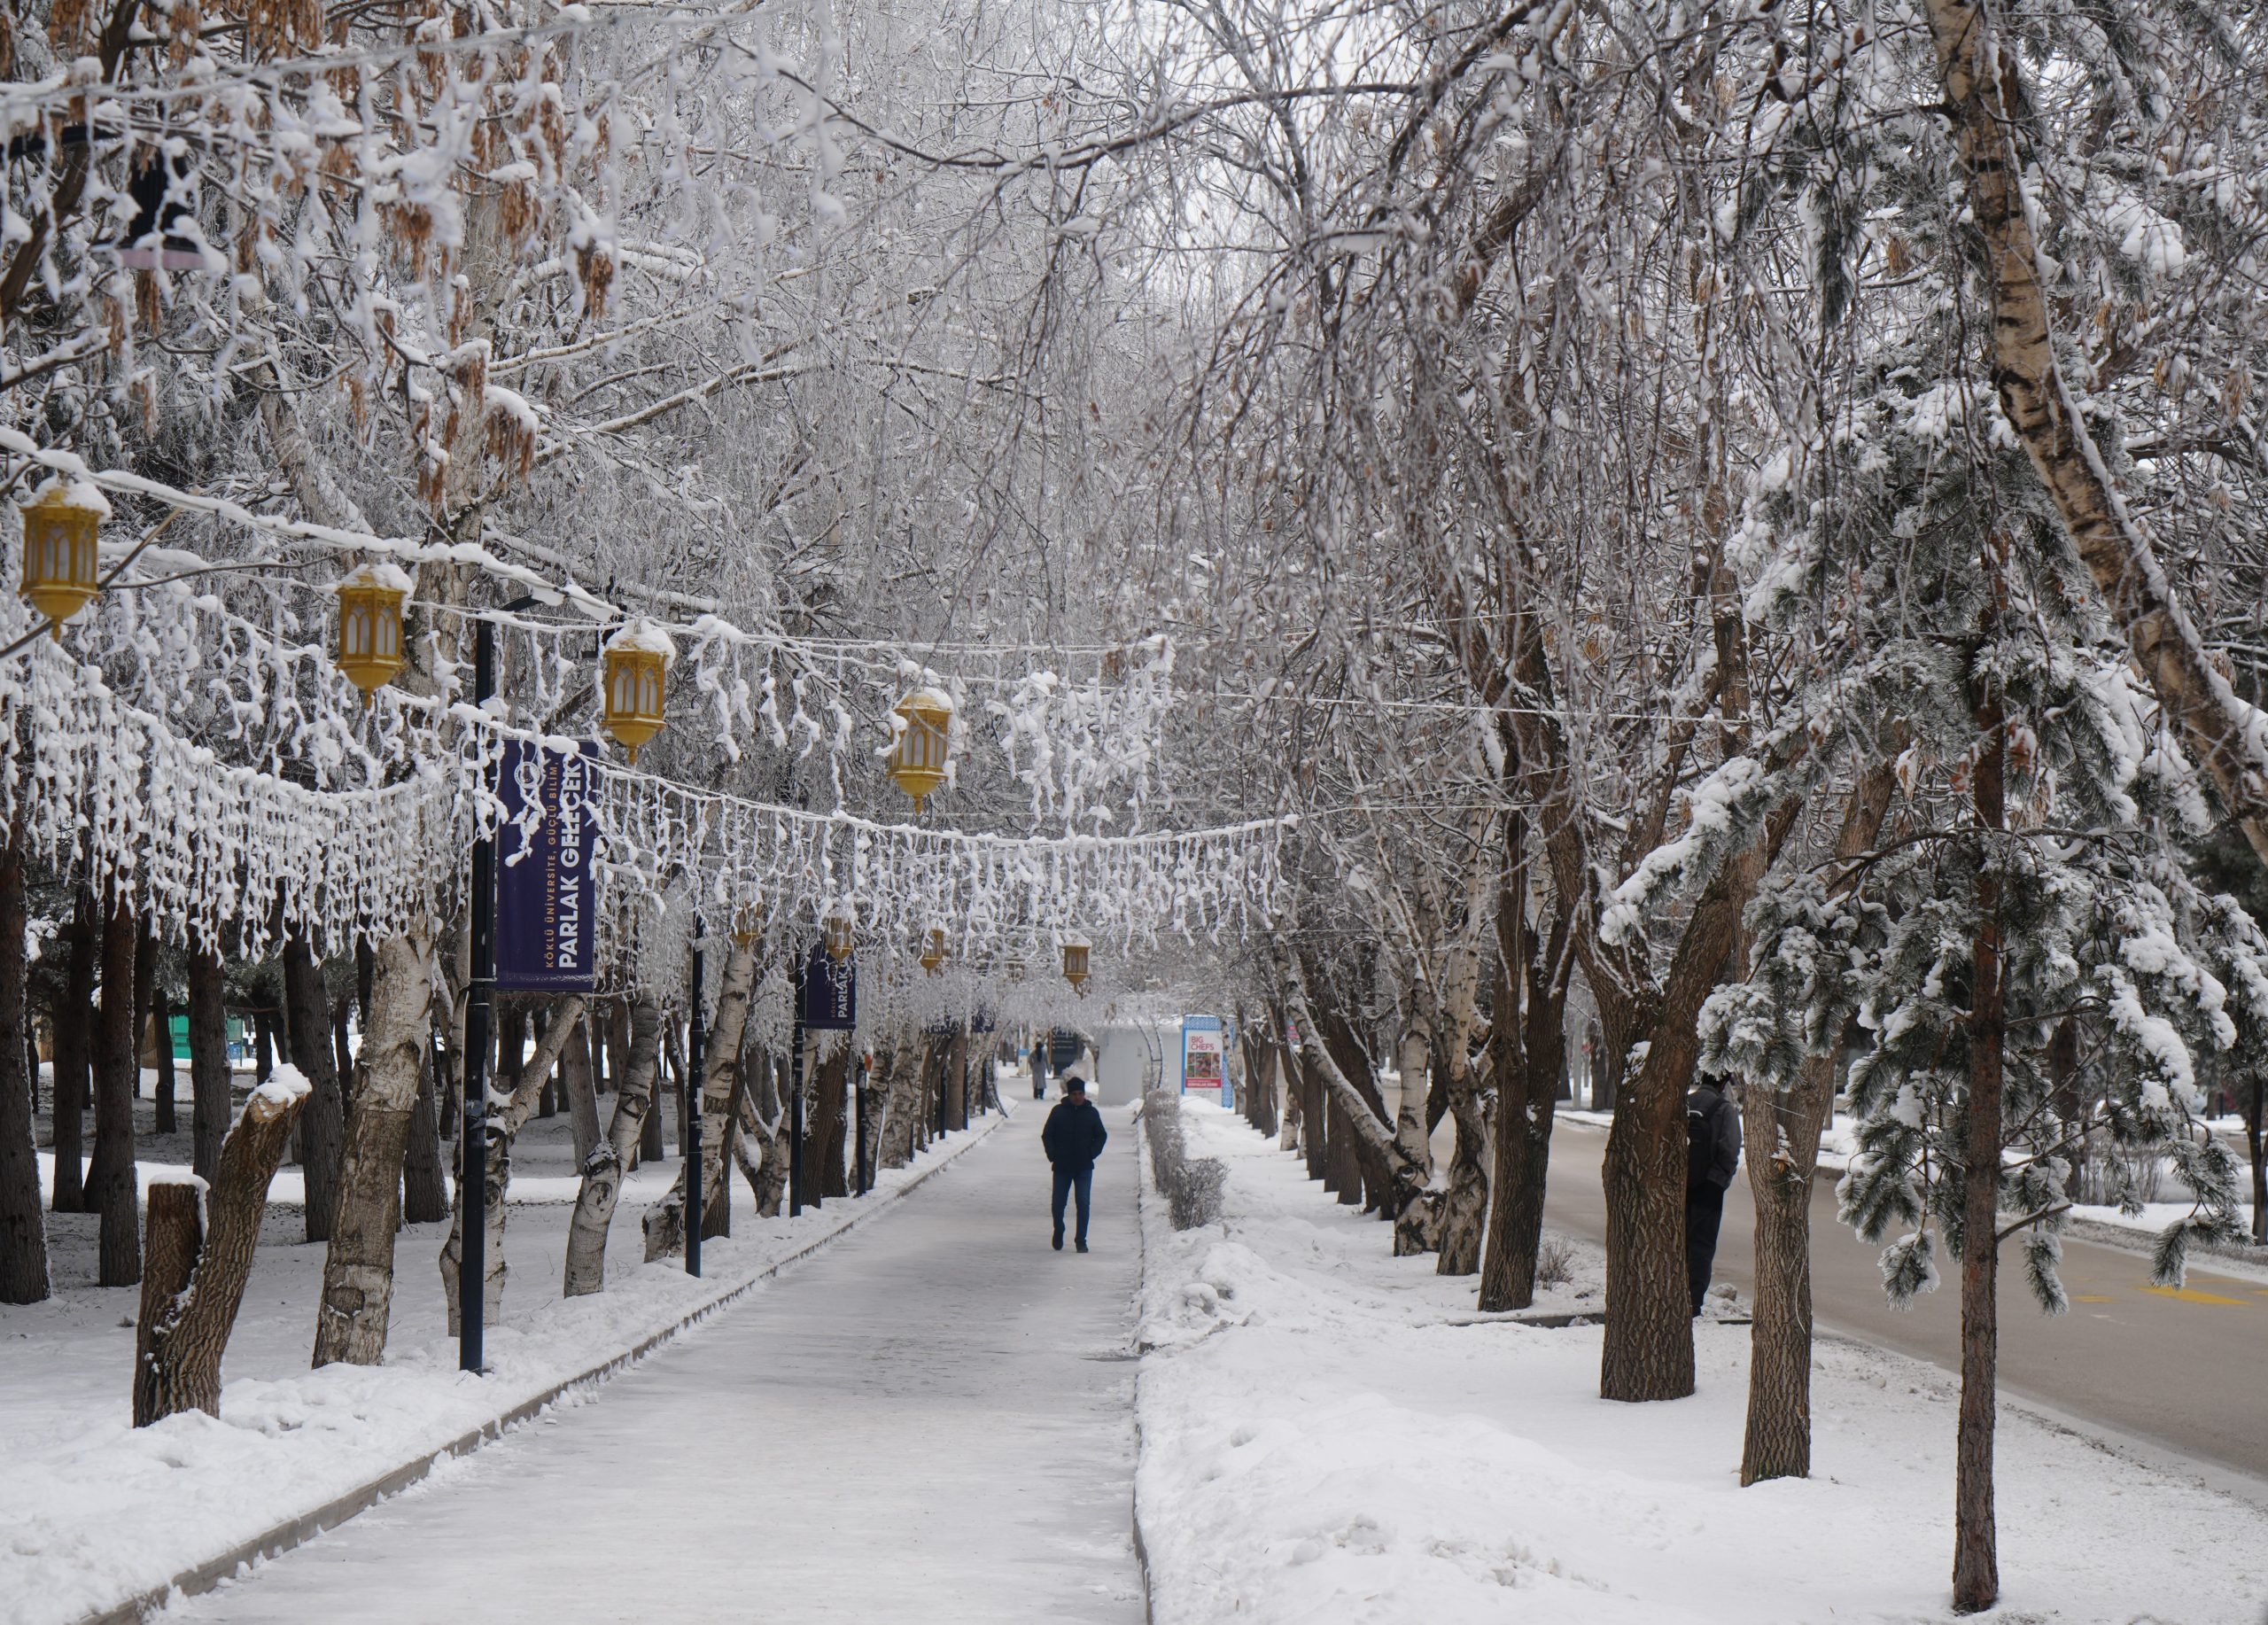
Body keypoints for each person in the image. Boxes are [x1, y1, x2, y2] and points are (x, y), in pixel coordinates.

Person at [1686, 1076, 1742, 1316]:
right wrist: (1717, 1182)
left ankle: (1671, 1292)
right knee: (1702, 1245)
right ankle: (1692, 1302)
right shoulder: (1723, 1109)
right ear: (1723, 1083)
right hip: (1709, 1188)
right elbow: (1730, 1150)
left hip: (1677, 1186)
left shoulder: (1685, 1103)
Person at [1042, 1072, 1109, 1252]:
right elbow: (1047, 1134)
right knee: (1058, 1204)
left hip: (1083, 1166)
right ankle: (1059, 1228)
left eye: (1080, 1093)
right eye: (1074, 1094)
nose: (1078, 1097)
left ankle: (1081, 1240)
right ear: (1069, 1095)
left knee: (1083, 1203)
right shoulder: (1058, 1112)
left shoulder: (1091, 1113)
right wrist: (1053, 1154)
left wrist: (1092, 1153)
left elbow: (1101, 1135)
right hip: (1062, 1166)